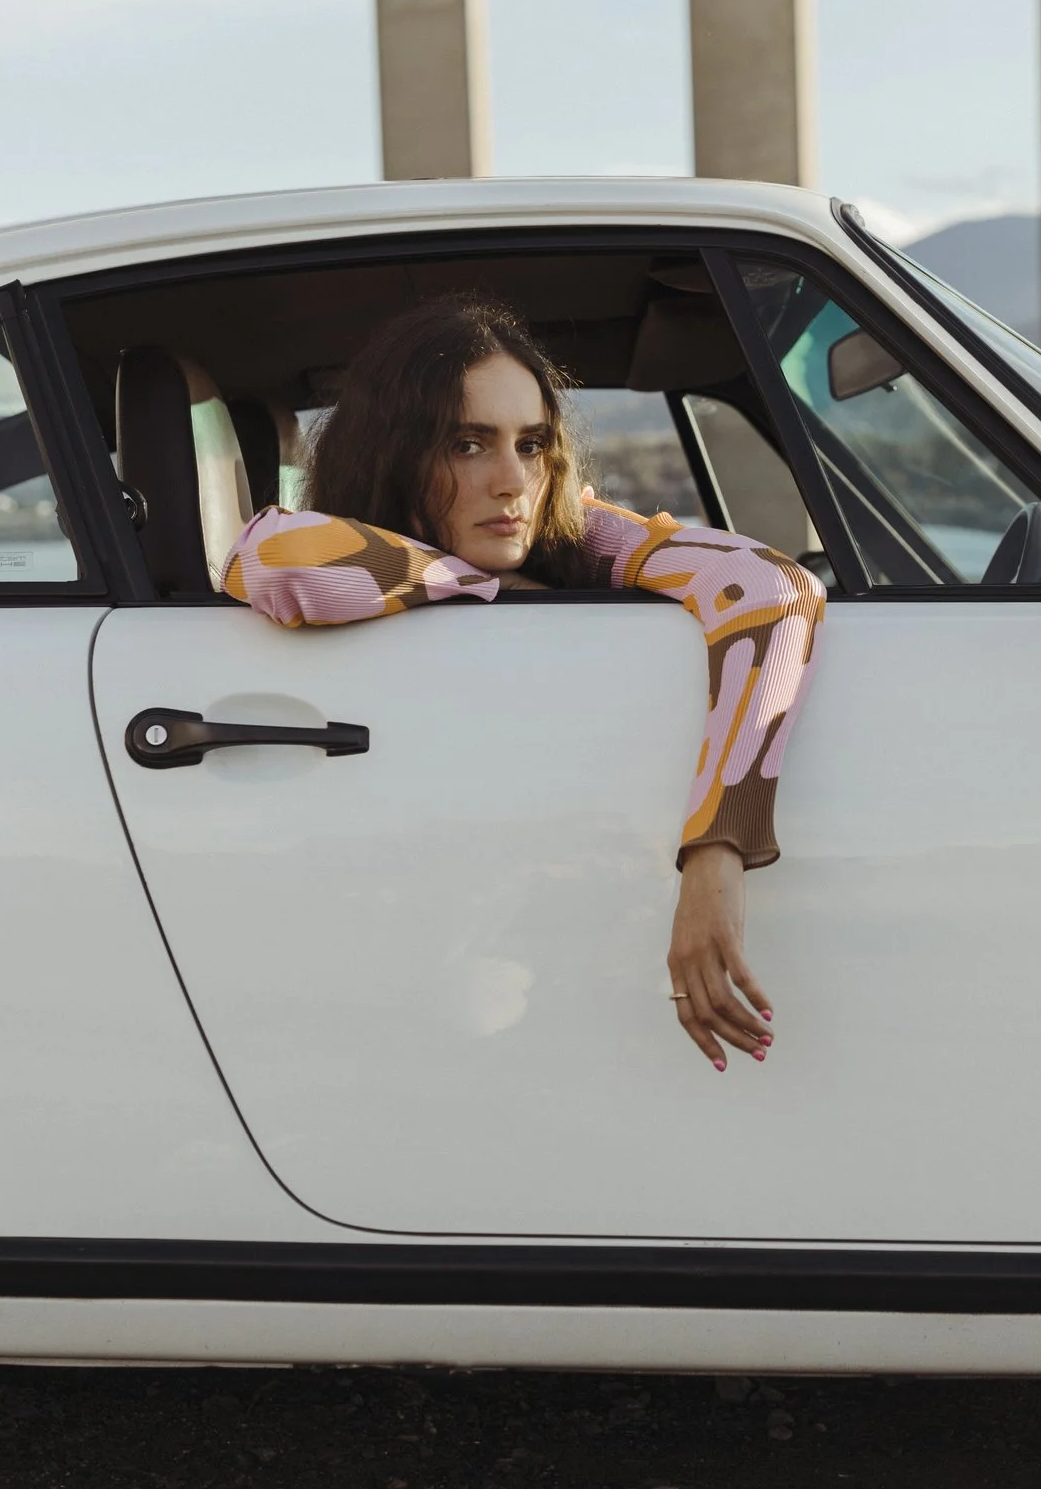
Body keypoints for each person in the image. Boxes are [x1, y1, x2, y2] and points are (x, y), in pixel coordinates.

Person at [215, 294, 826, 1073]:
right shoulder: (331, 540)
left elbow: (772, 587)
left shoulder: (574, 525)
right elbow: (278, 560)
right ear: (392, 453)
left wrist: (716, 857)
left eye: (532, 444)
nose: (512, 482)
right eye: (468, 445)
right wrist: (483, 584)